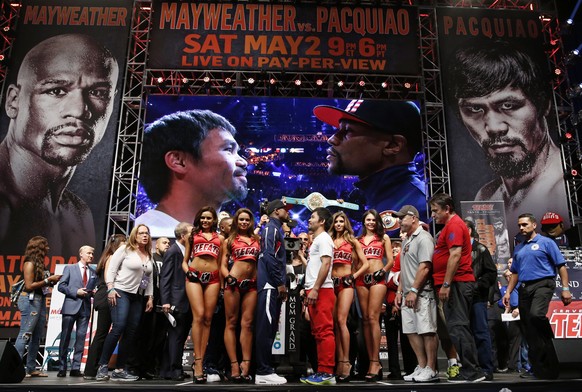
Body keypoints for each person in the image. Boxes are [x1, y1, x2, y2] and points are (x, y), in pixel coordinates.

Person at [0, 34, 120, 256]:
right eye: (56, 90)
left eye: (98, 93)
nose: (78, 110)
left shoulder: (77, 213)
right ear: (13, 101)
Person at [447, 40, 569, 240]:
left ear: (543, 105)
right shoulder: (487, 195)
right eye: (474, 109)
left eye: (509, 105)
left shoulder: (563, 191)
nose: (494, 127)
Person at [136, 110, 248, 238]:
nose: (243, 162)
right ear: (179, 161)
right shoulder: (144, 239)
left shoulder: (228, 241)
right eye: (228, 150)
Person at [313, 99, 427, 222]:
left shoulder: (419, 210)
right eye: (338, 130)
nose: (332, 139)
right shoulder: (385, 199)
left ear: (393, 146)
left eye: (348, 131)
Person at [503, 213, 572, 379]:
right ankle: (541, 370)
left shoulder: (546, 242)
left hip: (543, 284)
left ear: (534, 225)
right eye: (519, 225)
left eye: (525, 224)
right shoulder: (519, 247)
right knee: (529, 330)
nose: (521, 228)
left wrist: (565, 288)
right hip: (524, 288)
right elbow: (514, 273)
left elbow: (561, 266)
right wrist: (508, 292)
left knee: (536, 315)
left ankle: (547, 333)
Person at [429, 193, 485, 382]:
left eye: (436, 211)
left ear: (447, 209)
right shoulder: (449, 226)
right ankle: (470, 369)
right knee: (457, 328)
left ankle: (472, 371)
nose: (433, 215)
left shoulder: (454, 225)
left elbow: (455, 255)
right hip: (455, 283)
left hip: (457, 284)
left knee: (459, 327)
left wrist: (446, 283)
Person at [96, 224, 155, 382]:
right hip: (121, 291)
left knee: (131, 331)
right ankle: (102, 366)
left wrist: (150, 297)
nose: (144, 236)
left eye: (147, 233)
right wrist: (110, 288)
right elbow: (112, 270)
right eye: (141, 233)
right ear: (135, 235)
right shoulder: (125, 250)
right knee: (119, 326)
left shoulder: (149, 253)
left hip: (138, 296)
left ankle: (120, 369)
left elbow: (148, 278)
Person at [392, 206, 438, 383]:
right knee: (411, 331)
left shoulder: (424, 238)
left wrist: (413, 290)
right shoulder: (406, 241)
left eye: (402, 218)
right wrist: (399, 291)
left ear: (413, 218)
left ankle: (431, 369)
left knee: (427, 331)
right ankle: (422, 366)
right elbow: (404, 269)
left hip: (422, 293)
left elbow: (425, 267)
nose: (399, 221)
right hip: (407, 293)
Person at [182, 206, 223, 383]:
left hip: (213, 279)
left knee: (208, 318)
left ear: (214, 220)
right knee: (198, 316)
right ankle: (197, 363)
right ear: (199, 219)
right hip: (194, 277)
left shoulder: (220, 238)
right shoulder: (192, 236)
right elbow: (185, 261)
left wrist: (221, 284)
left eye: (209, 218)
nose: (205, 221)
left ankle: (202, 358)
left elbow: (220, 263)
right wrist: (188, 272)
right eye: (203, 218)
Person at [328, 211, 369, 382]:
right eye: (336, 221)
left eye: (341, 221)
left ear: (345, 224)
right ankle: (338, 361)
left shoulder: (352, 241)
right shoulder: (328, 240)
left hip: (346, 284)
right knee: (335, 325)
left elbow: (366, 263)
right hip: (331, 283)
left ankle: (346, 362)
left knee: (341, 321)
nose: (338, 224)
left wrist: (354, 275)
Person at [220, 208, 259, 382]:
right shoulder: (229, 240)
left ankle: (246, 364)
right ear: (237, 221)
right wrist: (228, 278)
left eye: (247, 220)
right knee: (231, 323)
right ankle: (234, 364)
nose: (244, 222)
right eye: (241, 220)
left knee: (248, 324)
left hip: (251, 285)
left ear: (251, 222)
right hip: (234, 285)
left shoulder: (257, 239)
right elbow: (222, 265)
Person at [255, 199, 291, 385]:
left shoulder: (275, 228)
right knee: (265, 329)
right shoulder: (271, 228)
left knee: (269, 328)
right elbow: (269, 256)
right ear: (277, 211)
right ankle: (263, 370)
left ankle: (265, 368)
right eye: (285, 210)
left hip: (271, 284)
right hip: (269, 285)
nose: (288, 213)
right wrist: (280, 283)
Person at [15, 236, 61, 377]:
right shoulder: (29, 263)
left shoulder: (40, 264)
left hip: (39, 299)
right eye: (45, 246)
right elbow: (29, 286)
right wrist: (48, 279)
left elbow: (40, 284)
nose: (48, 248)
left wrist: (49, 282)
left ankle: (31, 368)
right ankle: (12, 367)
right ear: (39, 248)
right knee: (25, 334)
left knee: (37, 335)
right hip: (29, 300)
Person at [356, 209, 393, 381]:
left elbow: (391, 260)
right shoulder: (358, 240)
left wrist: (383, 271)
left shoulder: (383, 237)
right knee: (365, 319)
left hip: (377, 279)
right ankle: (372, 361)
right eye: (368, 219)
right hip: (362, 280)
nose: (370, 222)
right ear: (364, 222)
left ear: (377, 221)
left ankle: (375, 361)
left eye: (373, 220)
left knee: (373, 318)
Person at [300, 207, 336, 385]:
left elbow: (326, 263)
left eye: (312, 217)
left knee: (324, 331)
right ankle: (322, 370)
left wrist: (315, 288)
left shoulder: (324, 239)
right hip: (314, 289)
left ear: (322, 221)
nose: (309, 219)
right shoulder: (318, 240)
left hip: (322, 290)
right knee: (318, 333)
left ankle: (328, 372)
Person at [84, 234, 127, 380]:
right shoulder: (111, 257)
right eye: (123, 243)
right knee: (102, 333)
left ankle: (91, 370)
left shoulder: (107, 257)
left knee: (102, 333)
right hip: (107, 295)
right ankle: (92, 369)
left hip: (103, 295)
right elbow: (110, 278)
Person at [57, 245, 98, 377]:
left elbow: (90, 289)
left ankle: (75, 367)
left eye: (92, 254)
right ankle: (62, 367)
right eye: (88, 253)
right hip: (70, 307)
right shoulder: (70, 268)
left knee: (81, 339)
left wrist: (93, 293)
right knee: (65, 337)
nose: (91, 256)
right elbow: (61, 286)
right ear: (81, 254)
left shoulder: (93, 271)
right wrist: (76, 292)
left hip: (85, 308)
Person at [159, 222, 193, 381]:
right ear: (182, 235)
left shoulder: (187, 251)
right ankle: (174, 369)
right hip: (176, 300)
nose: (194, 236)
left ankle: (168, 369)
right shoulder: (173, 252)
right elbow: (165, 277)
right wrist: (166, 301)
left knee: (179, 336)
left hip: (187, 300)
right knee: (176, 336)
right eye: (191, 233)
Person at [465, 219, 497, 381]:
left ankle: (486, 368)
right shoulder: (457, 249)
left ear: (469, 230)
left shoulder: (481, 249)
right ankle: (470, 368)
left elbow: (491, 273)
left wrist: (477, 286)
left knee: (480, 332)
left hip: (477, 298)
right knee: (464, 334)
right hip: (460, 298)